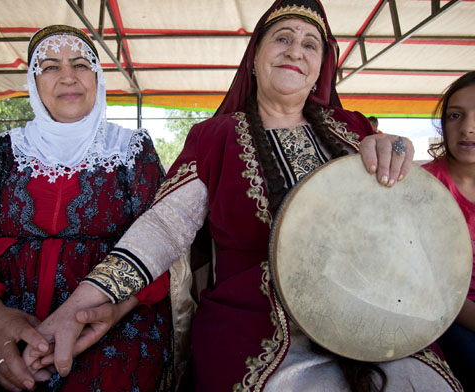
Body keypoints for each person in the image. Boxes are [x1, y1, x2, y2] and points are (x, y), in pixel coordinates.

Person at [26, 2, 461, 391]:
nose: (296, 51)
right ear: (254, 57)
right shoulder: (215, 137)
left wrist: (398, 158)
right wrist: (80, 305)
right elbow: (163, 227)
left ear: (321, 68)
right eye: (283, 38)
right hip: (256, 326)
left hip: (375, 316)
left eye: (311, 45)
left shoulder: (356, 130)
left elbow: (405, 232)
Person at [0, 25, 173, 392]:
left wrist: (112, 311)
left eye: (80, 64)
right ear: (33, 80)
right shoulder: (0, 154)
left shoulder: (131, 152)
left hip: (108, 316)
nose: (68, 77)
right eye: (49, 67)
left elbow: (162, 247)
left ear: (97, 76)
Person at [423, 71, 475, 391]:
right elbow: (435, 290)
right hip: (447, 319)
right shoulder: (422, 187)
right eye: (456, 115)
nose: (468, 127)